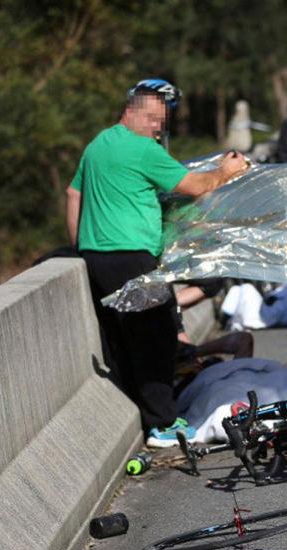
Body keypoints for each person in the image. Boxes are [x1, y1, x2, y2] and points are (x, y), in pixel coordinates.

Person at [66, 78, 248, 447]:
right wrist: (227, 172)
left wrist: (80, 247)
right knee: (156, 337)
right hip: (131, 256)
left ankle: (148, 413)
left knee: (123, 340)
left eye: (160, 122)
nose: (156, 128)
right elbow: (196, 186)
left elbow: (73, 193)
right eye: (152, 119)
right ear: (130, 112)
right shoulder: (142, 150)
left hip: (98, 256)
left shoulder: (98, 144)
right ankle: (162, 424)